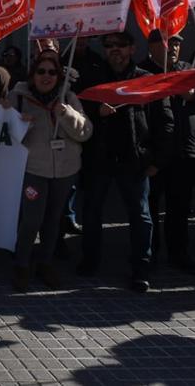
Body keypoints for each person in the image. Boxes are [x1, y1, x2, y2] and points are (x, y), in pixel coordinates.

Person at [76, 31, 173, 293]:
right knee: (91, 213)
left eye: (120, 45)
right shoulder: (92, 76)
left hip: (135, 160)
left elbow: (164, 121)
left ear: (132, 48)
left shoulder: (146, 80)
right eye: (109, 46)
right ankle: (90, 261)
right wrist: (97, 112)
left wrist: (157, 160)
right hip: (100, 160)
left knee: (141, 216)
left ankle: (141, 268)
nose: (114, 50)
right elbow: (77, 114)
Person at [7, 51, 93, 291]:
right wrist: (17, 122)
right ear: (33, 74)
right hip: (33, 169)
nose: (46, 77)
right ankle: (22, 264)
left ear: (59, 75)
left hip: (65, 170)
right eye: (41, 71)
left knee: (53, 220)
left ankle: (45, 263)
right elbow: (3, 130)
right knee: (31, 219)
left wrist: (67, 113)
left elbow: (86, 132)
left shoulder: (68, 97)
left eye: (52, 72)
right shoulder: (18, 96)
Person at [141, 30, 195, 275]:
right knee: (149, 207)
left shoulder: (191, 70)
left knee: (179, 207)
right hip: (153, 152)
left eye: (176, 44)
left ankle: (179, 253)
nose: (172, 48)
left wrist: (194, 95)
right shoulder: (141, 72)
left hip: (186, 150)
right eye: (166, 43)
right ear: (151, 47)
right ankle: (148, 253)